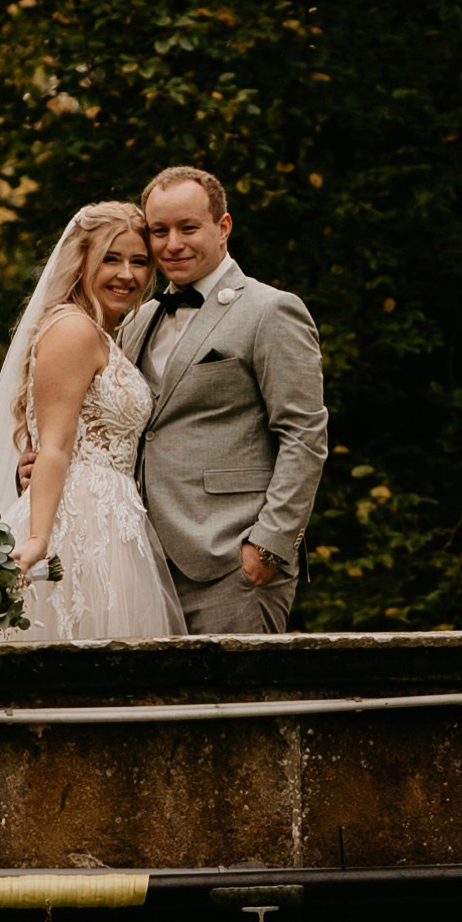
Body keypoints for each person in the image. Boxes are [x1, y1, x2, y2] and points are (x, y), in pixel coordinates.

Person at [0, 200, 186, 645]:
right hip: (77, 519)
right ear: (81, 262)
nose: (127, 275)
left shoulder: (104, 335)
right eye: (111, 259)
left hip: (115, 517)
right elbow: (55, 447)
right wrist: (38, 539)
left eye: (138, 262)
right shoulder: (73, 330)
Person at [118, 166, 326, 635]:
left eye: (188, 228)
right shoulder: (137, 320)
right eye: (159, 231)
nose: (173, 244)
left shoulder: (271, 310)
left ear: (223, 227)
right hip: (143, 562)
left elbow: (304, 436)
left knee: (234, 709)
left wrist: (268, 547)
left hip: (232, 562)